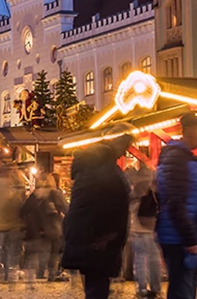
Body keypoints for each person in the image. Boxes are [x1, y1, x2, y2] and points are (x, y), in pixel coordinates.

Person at [62, 125, 133, 299]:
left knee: (94, 284)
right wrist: (106, 235)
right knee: (97, 285)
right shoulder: (104, 170)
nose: (124, 154)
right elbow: (105, 204)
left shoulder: (92, 167)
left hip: (89, 235)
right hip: (98, 239)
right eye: (124, 147)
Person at [155, 113, 197, 299]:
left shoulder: (182, 158)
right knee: (183, 290)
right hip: (180, 239)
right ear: (189, 130)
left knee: (183, 288)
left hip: (183, 236)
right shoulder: (178, 159)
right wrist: (189, 238)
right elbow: (175, 200)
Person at [21, 173, 68, 281]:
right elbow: (65, 208)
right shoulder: (56, 194)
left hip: (39, 227)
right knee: (55, 252)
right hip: (55, 226)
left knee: (44, 251)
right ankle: (52, 274)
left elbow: (24, 210)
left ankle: (40, 272)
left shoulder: (35, 195)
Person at [127, 161, 160, 299]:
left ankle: (141, 288)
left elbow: (129, 204)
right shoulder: (153, 184)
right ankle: (155, 288)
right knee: (154, 258)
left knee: (140, 258)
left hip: (136, 227)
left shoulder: (134, 185)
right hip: (151, 226)